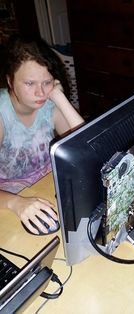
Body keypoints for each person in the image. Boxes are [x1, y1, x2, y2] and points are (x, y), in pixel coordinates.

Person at [0, 35, 84, 234]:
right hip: (10, 197)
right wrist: (16, 203)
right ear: (10, 81)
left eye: (46, 83)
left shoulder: (48, 103)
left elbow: (86, 146)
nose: (40, 92)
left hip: (48, 184)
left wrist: (59, 97)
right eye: (30, 83)